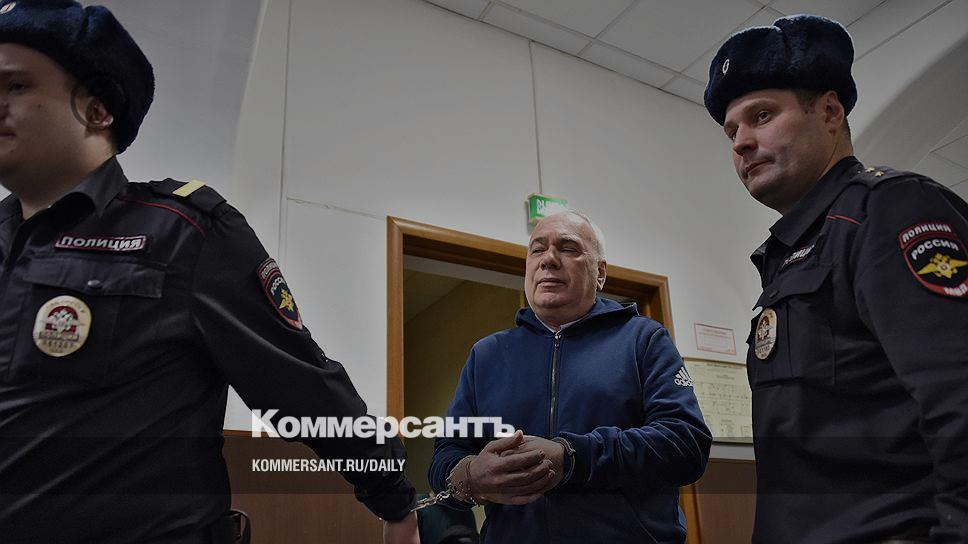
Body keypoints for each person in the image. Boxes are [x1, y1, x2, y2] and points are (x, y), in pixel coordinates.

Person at [0, 1, 418, 542]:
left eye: (15, 85)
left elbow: (302, 388)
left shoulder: (184, 231)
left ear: (97, 109)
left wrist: (395, 501)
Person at [703, 14, 968, 543]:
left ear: (829, 111)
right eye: (732, 130)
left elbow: (958, 397)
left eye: (761, 115)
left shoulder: (889, 210)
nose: (741, 142)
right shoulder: (794, 251)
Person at [428, 210, 711, 543]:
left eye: (568, 248)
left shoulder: (644, 340)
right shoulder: (487, 355)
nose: (548, 259)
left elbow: (685, 444)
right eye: (537, 249)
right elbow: (445, 455)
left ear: (600, 272)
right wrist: (471, 475)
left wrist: (572, 458)